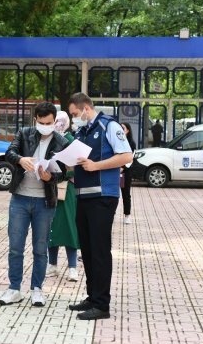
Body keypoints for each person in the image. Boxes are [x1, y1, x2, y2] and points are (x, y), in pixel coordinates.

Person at [67, 93, 133, 320]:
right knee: (87, 250)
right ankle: (92, 296)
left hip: (103, 196)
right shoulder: (82, 132)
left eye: (75, 114)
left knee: (100, 250)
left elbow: (126, 156)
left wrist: (96, 166)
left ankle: (102, 304)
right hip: (83, 196)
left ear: (86, 108)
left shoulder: (109, 126)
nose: (74, 118)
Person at [0, 102, 68, 307]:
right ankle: (14, 288)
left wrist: (50, 177)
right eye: (41, 122)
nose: (45, 126)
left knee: (40, 247)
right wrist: (20, 160)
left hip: (45, 201)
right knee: (15, 246)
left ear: (54, 121)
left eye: (49, 123)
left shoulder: (61, 142)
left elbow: (63, 173)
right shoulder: (25, 133)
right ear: (35, 119)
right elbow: (9, 152)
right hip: (20, 197)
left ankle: (37, 289)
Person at [46, 110, 80, 282]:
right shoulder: (49, 139)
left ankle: (73, 267)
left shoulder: (71, 141)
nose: (58, 124)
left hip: (67, 190)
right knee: (50, 227)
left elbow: (75, 167)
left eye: (61, 121)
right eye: (56, 120)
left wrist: (67, 171)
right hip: (50, 187)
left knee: (68, 227)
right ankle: (52, 265)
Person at [120, 122, 137, 224]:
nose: (120, 130)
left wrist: (121, 168)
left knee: (126, 194)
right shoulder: (115, 141)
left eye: (123, 128)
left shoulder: (131, 143)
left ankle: (127, 215)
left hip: (125, 172)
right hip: (114, 171)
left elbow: (130, 160)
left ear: (127, 131)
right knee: (113, 194)